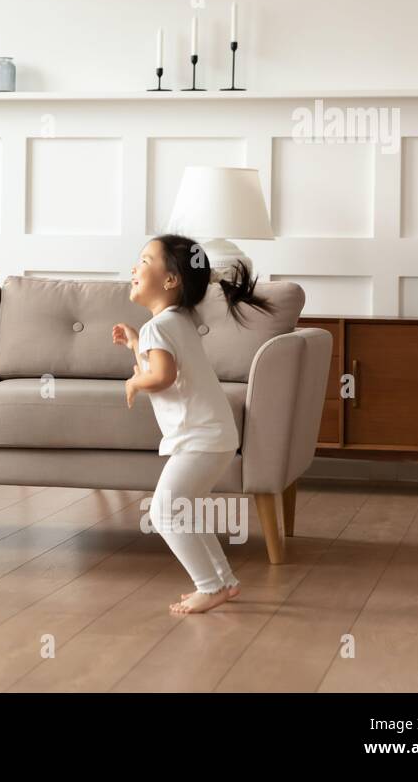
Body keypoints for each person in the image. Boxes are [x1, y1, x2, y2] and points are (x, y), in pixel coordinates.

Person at [112, 235, 275, 613]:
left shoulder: (161, 326)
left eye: (144, 260)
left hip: (198, 439)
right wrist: (136, 345)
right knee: (183, 510)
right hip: (214, 437)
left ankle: (209, 585)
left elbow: (162, 376)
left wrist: (135, 379)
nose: (134, 268)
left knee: (164, 513)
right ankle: (222, 581)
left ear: (171, 280)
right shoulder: (176, 320)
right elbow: (163, 367)